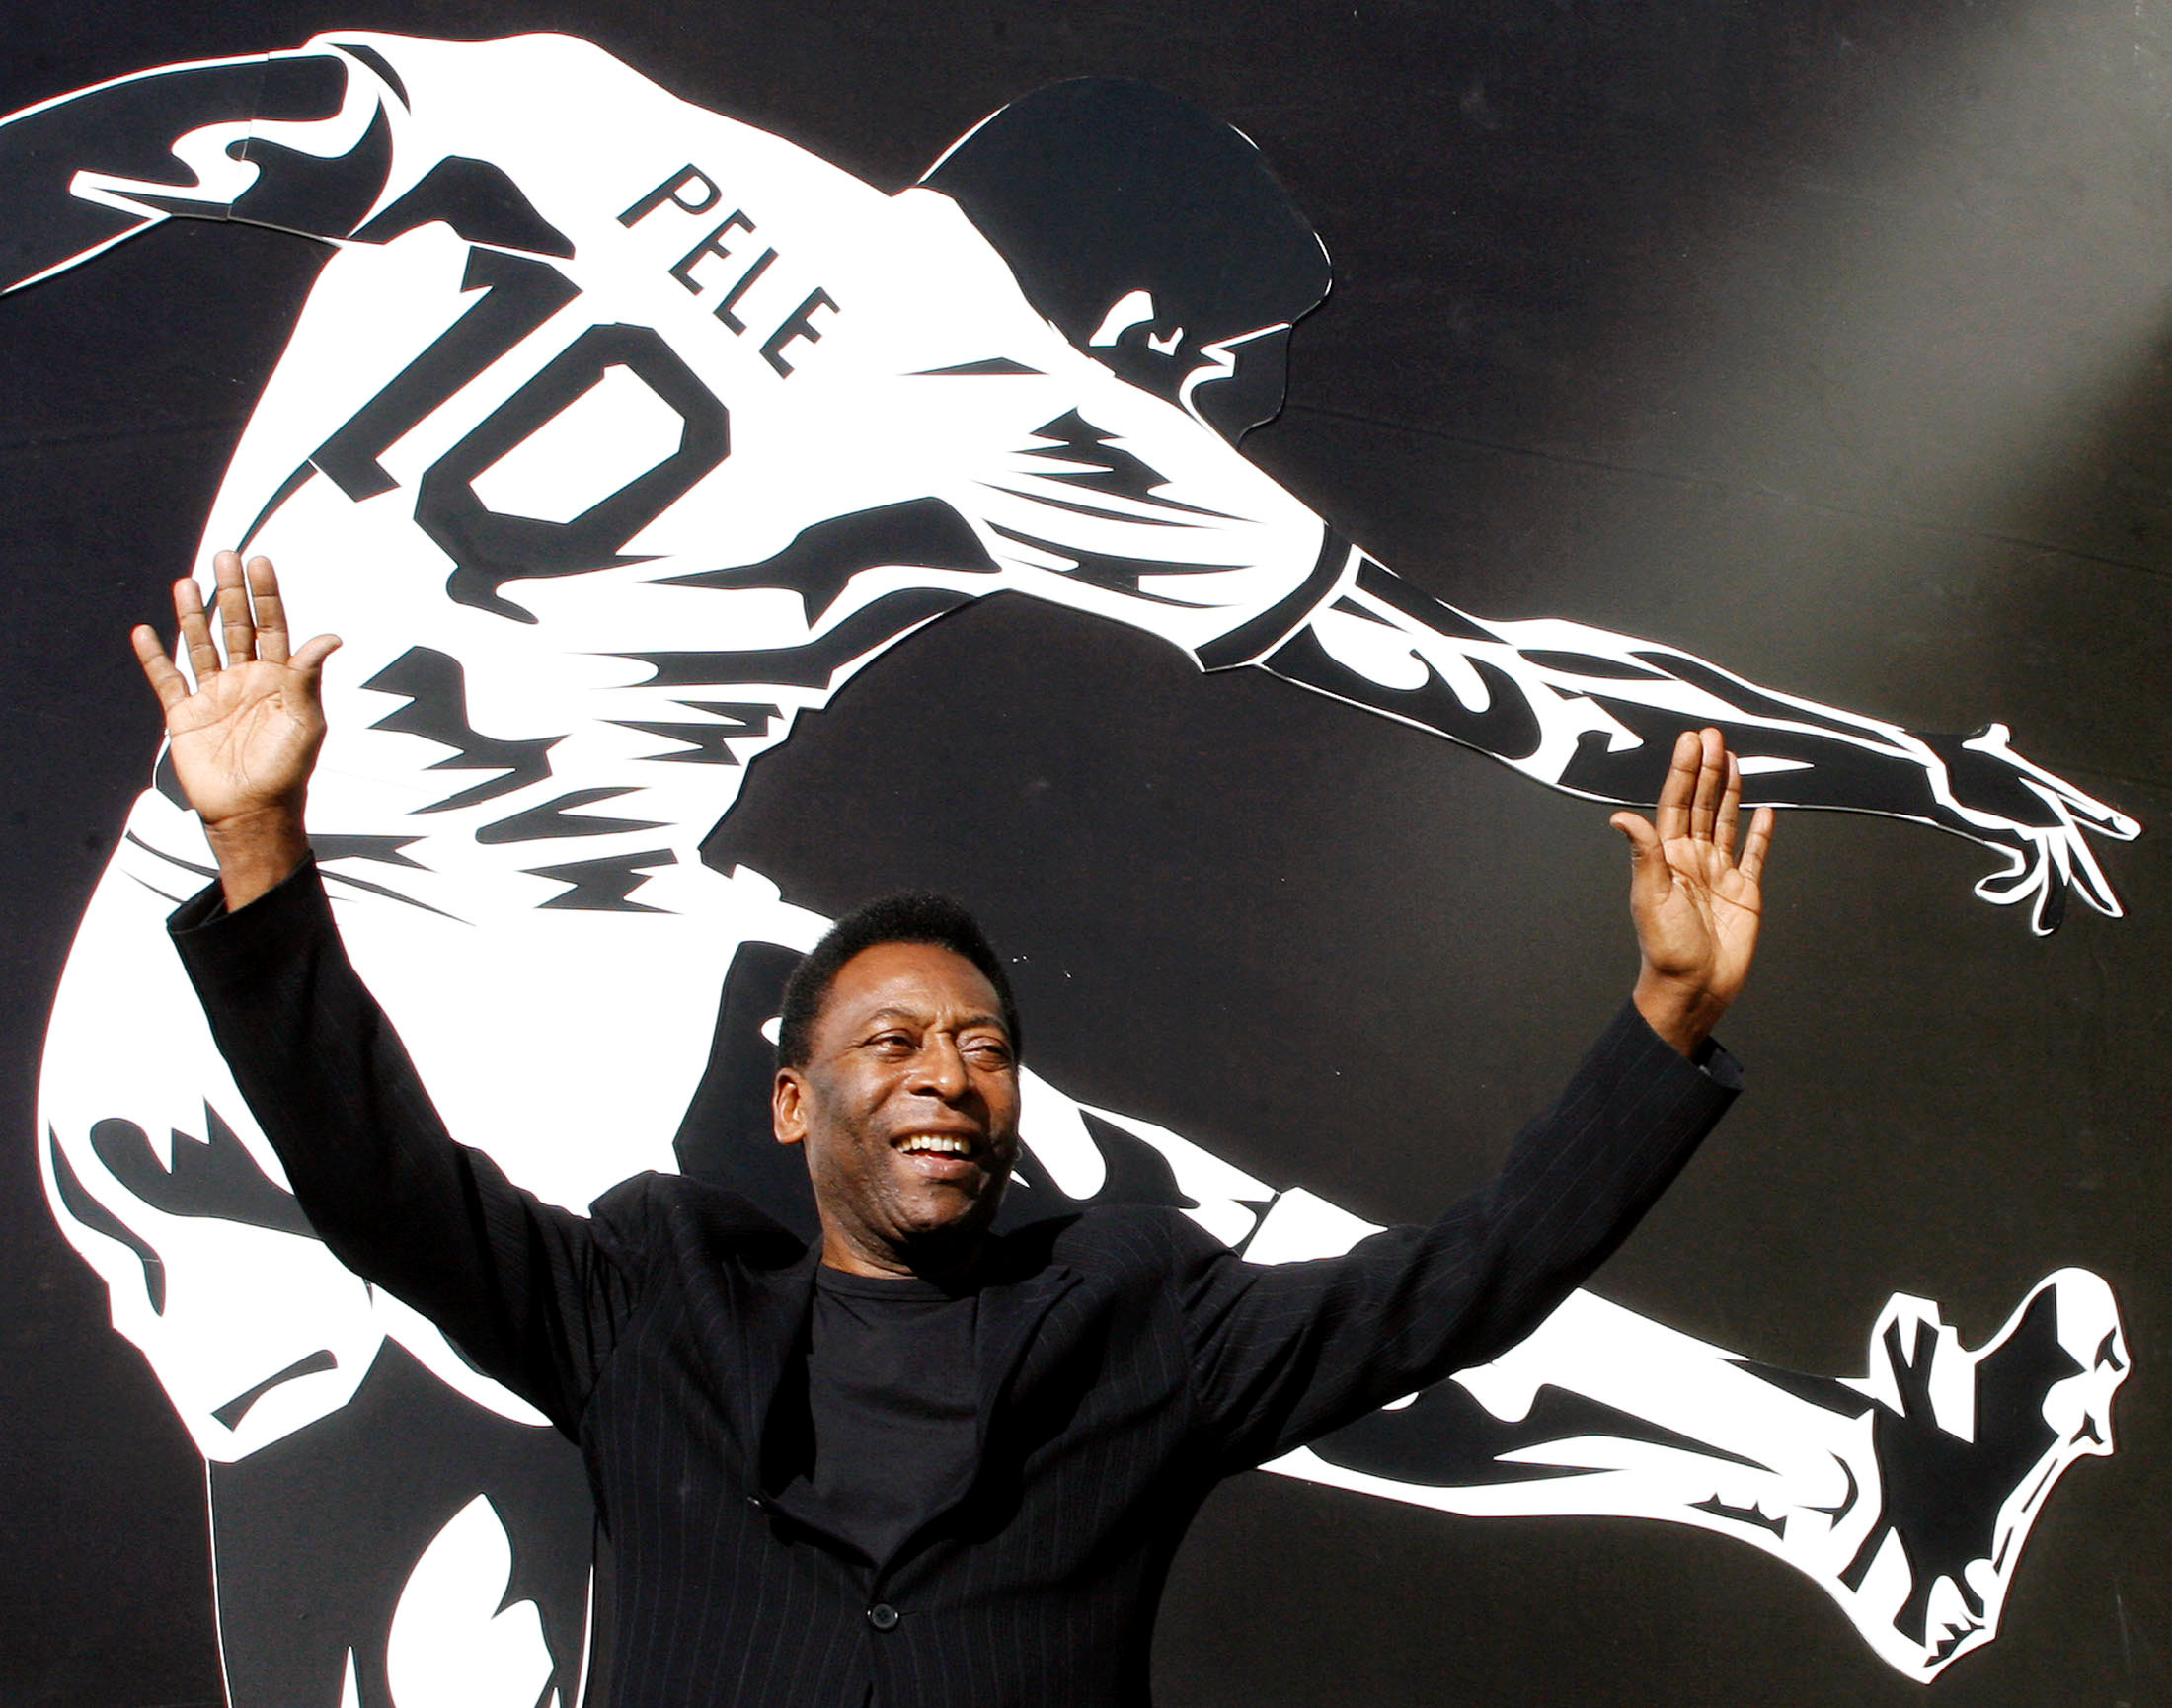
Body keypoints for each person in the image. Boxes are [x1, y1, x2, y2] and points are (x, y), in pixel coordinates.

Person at [14, 39, 2129, 1699]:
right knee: (1201, 1296)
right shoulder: (1033, 396)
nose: (1215, 416)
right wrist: (1914, 767)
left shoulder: (564, 108)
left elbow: (185, 146)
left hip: (161, 981)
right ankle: (1853, 1484)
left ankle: (1860, 1488)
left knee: (384, 1546)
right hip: (537, 1000)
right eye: (1218, 376)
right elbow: (1526, 699)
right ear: (1133, 313)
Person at [139, 552, 1768, 1706]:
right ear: (791, 1101)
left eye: (986, 1046)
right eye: (896, 1038)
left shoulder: (1141, 1319)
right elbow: (383, 1182)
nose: (947, 1072)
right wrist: (265, 844)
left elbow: (1456, 1284)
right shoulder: (651, 1299)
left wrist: (1668, 1019)